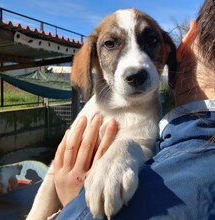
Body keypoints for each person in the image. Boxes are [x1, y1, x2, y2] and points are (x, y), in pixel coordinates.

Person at [52, 0, 215, 219]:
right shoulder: (89, 115)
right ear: (93, 57)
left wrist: (75, 207)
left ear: (171, 49)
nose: (135, 65)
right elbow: (56, 171)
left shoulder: (161, 127)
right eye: (111, 44)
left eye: (150, 40)